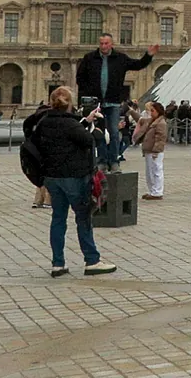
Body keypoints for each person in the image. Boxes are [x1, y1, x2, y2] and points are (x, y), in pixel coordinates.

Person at [30, 86, 116, 277]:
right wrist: (100, 126)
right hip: (73, 177)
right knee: (83, 218)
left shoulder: (45, 122)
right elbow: (90, 141)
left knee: (58, 219)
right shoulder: (70, 124)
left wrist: (86, 121)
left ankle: (58, 264)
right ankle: (92, 260)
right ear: (70, 103)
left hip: (52, 178)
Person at [74, 34, 158, 173]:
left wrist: (148, 55)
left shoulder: (120, 58)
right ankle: (102, 161)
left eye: (106, 43)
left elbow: (138, 65)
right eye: (101, 43)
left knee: (113, 132)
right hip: (97, 103)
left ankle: (114, 162)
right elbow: (79, 77)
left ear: (111, 44)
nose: (103, 46)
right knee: (99, 133)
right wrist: (88, 93)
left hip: (113, 102)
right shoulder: (89, 58)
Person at [132, 101, 168, 200]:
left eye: (153, 111)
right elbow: (140, 119)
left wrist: (156, 151)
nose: (151, 113)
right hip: (149, 150)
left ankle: (157, 192)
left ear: (158, 111)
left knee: (156, 171)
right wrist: (131, 111)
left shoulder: (161, 123)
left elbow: (160, 139)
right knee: (150, 172)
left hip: (155, 151)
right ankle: (152, 190)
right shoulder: (151, 121)